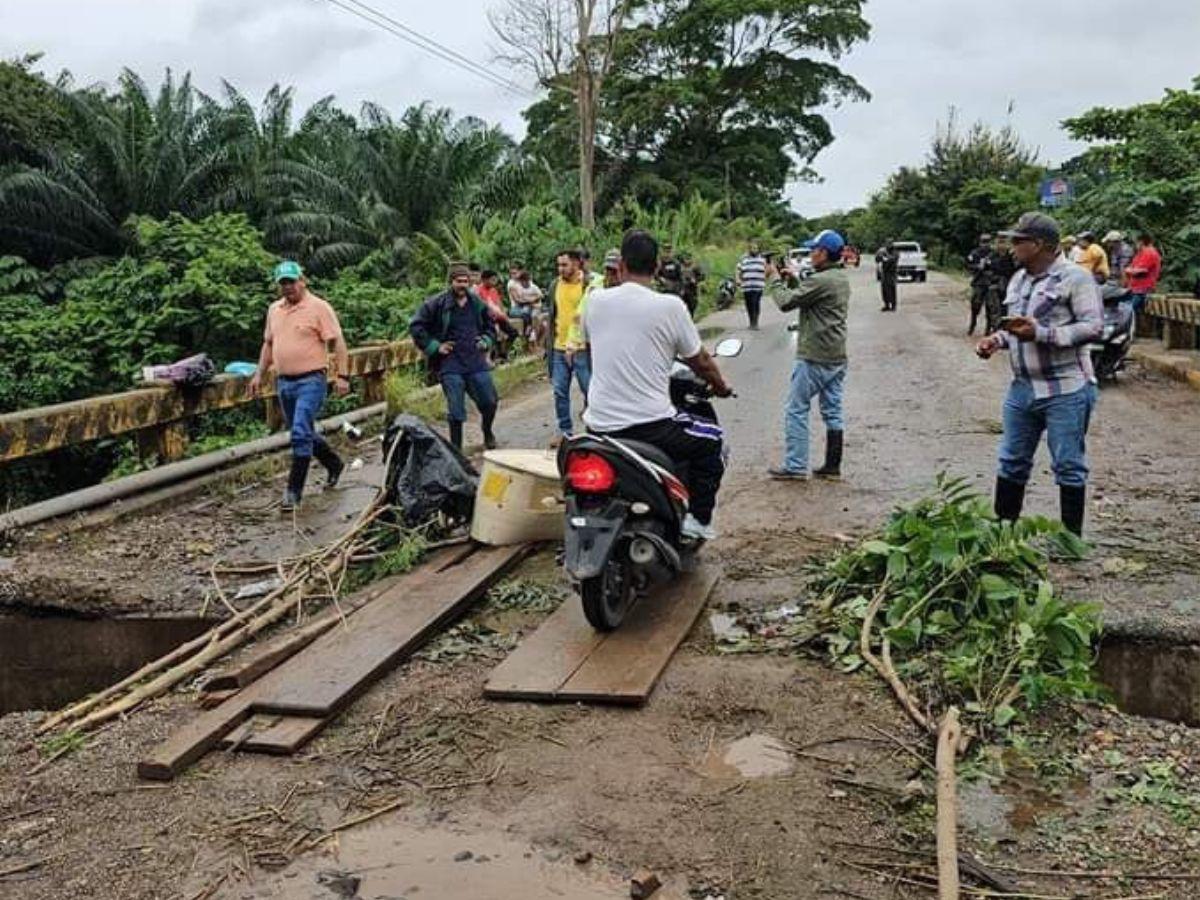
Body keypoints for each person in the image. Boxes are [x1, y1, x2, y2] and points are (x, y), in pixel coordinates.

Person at [583, 229, 734, 541]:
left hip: (597, 425)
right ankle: (698, 520)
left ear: (620, 266)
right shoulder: (670, 306)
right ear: (656, 269)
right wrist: (720, 386)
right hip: (650, 425)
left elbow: (595, 348)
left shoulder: (594, 301)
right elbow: (701, 361)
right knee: (714, 441)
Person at [975, 212, 1102, 536]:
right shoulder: (1018, 280)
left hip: (1066, 388)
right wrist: (996, 340)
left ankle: (1070, 540)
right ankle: (1002, 537)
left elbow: (1093, 327)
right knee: (1011, 461)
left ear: (1040, 244)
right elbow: (1016, 327)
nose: (1012, 246)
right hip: (1022, 388)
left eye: (1019, 240)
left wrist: (1044, 335)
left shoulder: (1076, 279)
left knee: (1068, 466)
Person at [247, 260, 349, 510]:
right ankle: (334, 463)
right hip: (284, 382)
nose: (288, 287)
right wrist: (259, 374)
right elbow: (269, 344)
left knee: (300, 432)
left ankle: (293, 492)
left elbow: (338, 342)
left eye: (291, 282)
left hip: (311, 379)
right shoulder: (274, 310)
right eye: (283, 283)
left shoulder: (318, 307)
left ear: (302, 281)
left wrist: (342, 375)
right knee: (301, 431)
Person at [765, 230, 849, 481]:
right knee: (833, 410)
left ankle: (796, 465)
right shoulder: (838, 277)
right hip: (836, 354)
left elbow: (786, 303)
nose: (811, 254)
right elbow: (808, 297)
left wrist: (774, 279)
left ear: (823, 253)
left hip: (814, 356)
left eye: (814, 250)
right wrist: (793, 279)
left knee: (796, 409)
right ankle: (832, 465)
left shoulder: (821, 280)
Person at [409, 261, 500, 452]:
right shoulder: (436, 303)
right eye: (459, 281)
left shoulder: (476, 303)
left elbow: (490, 326)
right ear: (451, 281)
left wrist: (486, 341)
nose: (463, 285)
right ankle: (456, 449)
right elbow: (416, 326)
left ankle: (487, 430)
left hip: (475, 360)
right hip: (450, 363)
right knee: (456, 410)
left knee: (489, 401)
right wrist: (435, 346)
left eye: (466, 281)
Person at [545, 249, 592, 442]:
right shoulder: (555, 285)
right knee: (559, 390)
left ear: (576, 264)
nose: (560, 269)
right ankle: (565, 431)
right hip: (559, 347)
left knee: (589, 389)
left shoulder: (589, 284)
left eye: (564, 265)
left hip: (582, 348)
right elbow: (552, 314)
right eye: (559, 265)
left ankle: (594, 429)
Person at [1124, 233, 1162, 313]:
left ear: (1141, 242)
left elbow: (1140, 270)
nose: (1135, 245)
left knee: (1128, 312)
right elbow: (1132, 266)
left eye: (1136, 243)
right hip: (1136, 289)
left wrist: (1129, 270)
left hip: (1142, 289)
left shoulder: (1149, 252)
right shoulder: (1140, 253)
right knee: (1132, 313)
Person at [735, 242, 767, 329]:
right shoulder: (743, 259)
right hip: (746, 286)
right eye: (752, 248)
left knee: (755, 303)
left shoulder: (762, 259)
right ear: (749, 249)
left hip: (758, 286)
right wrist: (738, 279)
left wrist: (765, 278)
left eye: (756, 248)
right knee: (748, 304)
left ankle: (755, 322)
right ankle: (751, 322)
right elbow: (738, 270)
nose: (754, 250)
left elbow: (767, 270)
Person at [966, 233, 993, 336]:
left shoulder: (993, 253)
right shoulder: (975, 253)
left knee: (990, 307)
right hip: (978, 282)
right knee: (975, 305)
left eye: (987, 242)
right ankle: (972, 325)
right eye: (983, 242)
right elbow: (968, 265)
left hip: (990, 282)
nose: (985, 244)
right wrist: (978, 267)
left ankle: (988, 329)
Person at [876, 242, 899, 311]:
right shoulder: (883, 253)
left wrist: (885, 258)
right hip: (885, 273)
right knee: (885, 290)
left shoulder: (895, 253)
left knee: (892, 289)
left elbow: (891, 260)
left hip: (892, 273)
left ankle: (893, 305)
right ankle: (886, 305)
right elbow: (877, 259)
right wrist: (880, 255)